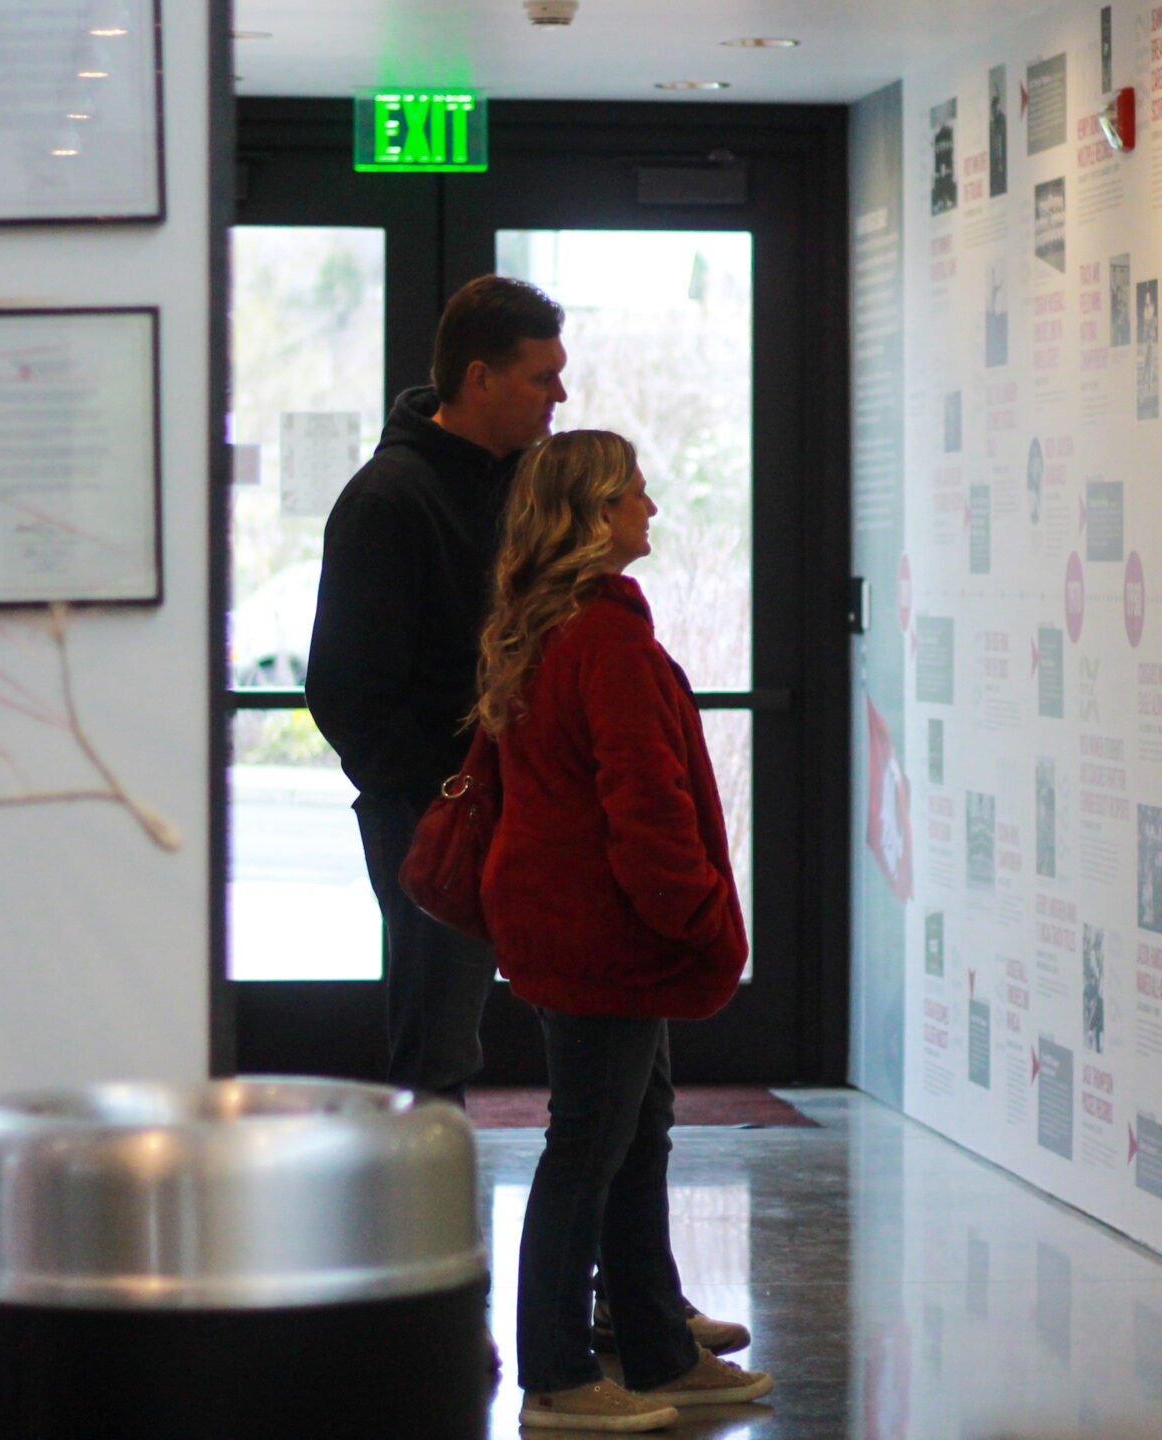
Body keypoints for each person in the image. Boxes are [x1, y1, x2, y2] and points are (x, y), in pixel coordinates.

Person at [474, 431, 770, 1432]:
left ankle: (654, 1350)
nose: (651, 510)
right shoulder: (602, 642)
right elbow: (644, 808)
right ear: (595, 516)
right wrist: (695, 923)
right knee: (588, 1150)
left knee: (632, 1139)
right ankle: (556, 1377)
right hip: (601, 937)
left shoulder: (546, 627)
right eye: (636, 494)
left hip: (570, 931)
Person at [306, 274, 566, 1103]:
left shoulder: (532, 488)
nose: (558, 395)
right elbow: (345, 691)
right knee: (438, 1060)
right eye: (540, 377)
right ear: (479, 378)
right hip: (435, 816)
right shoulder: (388, 499)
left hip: (526, 801)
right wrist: (441, 789)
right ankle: (426, 1233)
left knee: (601, 1042)